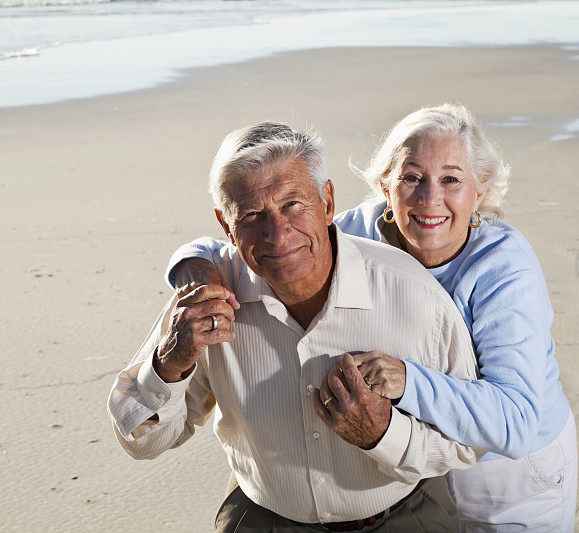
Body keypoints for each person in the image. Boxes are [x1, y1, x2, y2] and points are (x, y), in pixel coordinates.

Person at [169, 104, 577, 532]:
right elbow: (248, 237)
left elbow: (516, 423)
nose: (428, 198)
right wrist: (194, 271)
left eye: (451, 179)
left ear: (480, 189)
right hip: (415, 467)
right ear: (385, 185)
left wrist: (407, 381)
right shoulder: (356, 234)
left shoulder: (502, 266)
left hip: (511, 475)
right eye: (411, 177)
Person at [107, 121, 485, 532]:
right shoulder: (205, 299)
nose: (278, 234)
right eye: (252, 215)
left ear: (327, 202)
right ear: (225, 224)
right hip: (263, 519)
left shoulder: (414, 294)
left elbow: (468, 443)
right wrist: (169, 364)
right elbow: (142, 440)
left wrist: (383, 434)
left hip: (405, 518)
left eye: (292, 205)